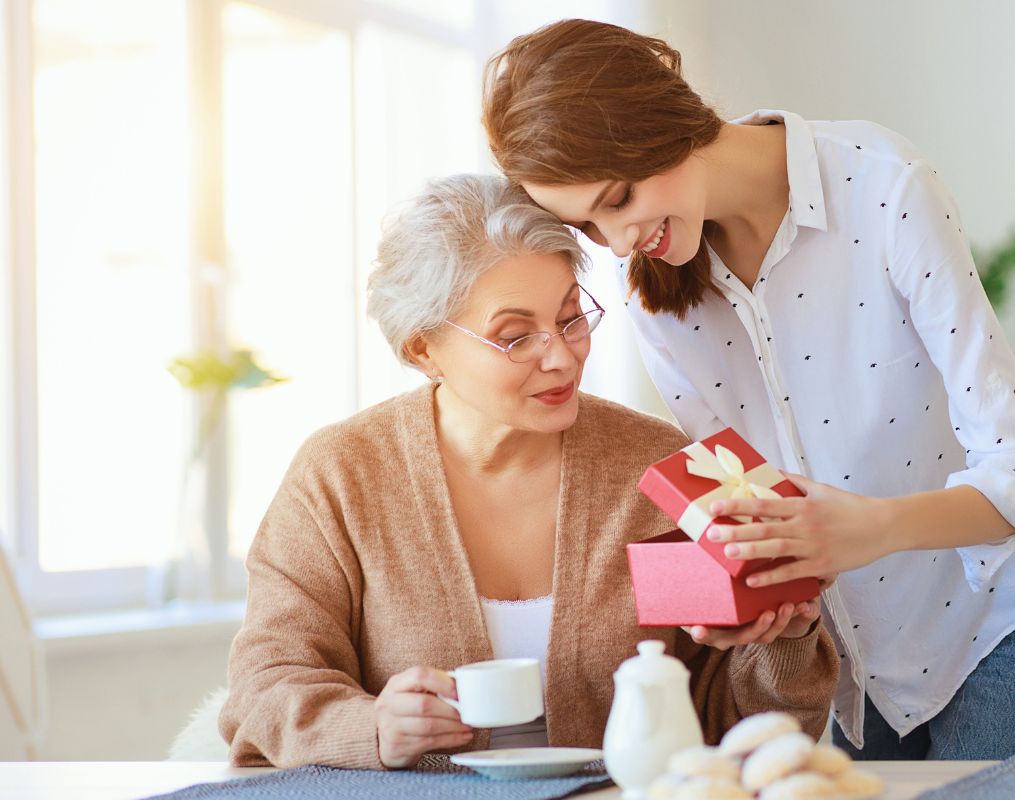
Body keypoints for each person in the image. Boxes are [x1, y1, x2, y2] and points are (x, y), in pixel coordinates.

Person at [481, 19, 1015, 760]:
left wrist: (867, 529)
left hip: (1010, 615)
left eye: (617, 199)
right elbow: (753, 502)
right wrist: (756, 593)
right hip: (862, 662)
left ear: (662, 121)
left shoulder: (882, 186)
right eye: (588, 225)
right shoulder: (654, 294)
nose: (618, 241)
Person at [218, 174, 838, 769]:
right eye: (516, 337)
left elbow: (733, 730)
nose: (562, 356)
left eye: (571, 317)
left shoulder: (659, 468)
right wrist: (371, 726)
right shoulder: (342, 475)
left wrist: (783, 635)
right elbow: (264, 687)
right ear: (423, 348)